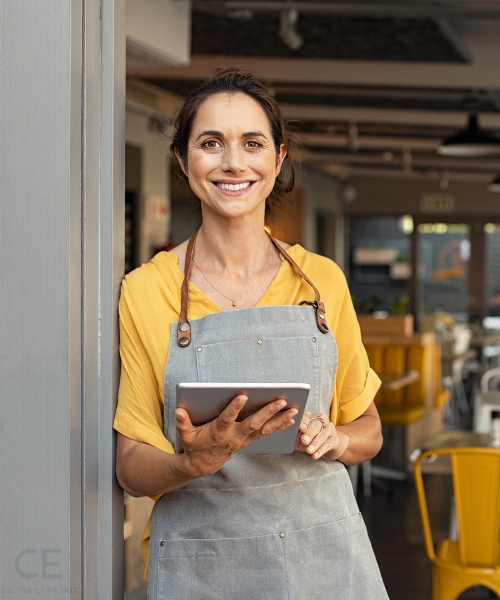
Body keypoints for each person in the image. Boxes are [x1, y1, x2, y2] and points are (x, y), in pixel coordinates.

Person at [113, 70, 388, 599]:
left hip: (321, 557)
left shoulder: (321, 280)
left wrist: (339, 439)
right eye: (210, 143)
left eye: (252, 143)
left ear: (278, 159)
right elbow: (130, 467)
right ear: (182, 159)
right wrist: (194, 460)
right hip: (205, 565)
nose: (233, 163)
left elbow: (368, 427)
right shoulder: (147, 291)